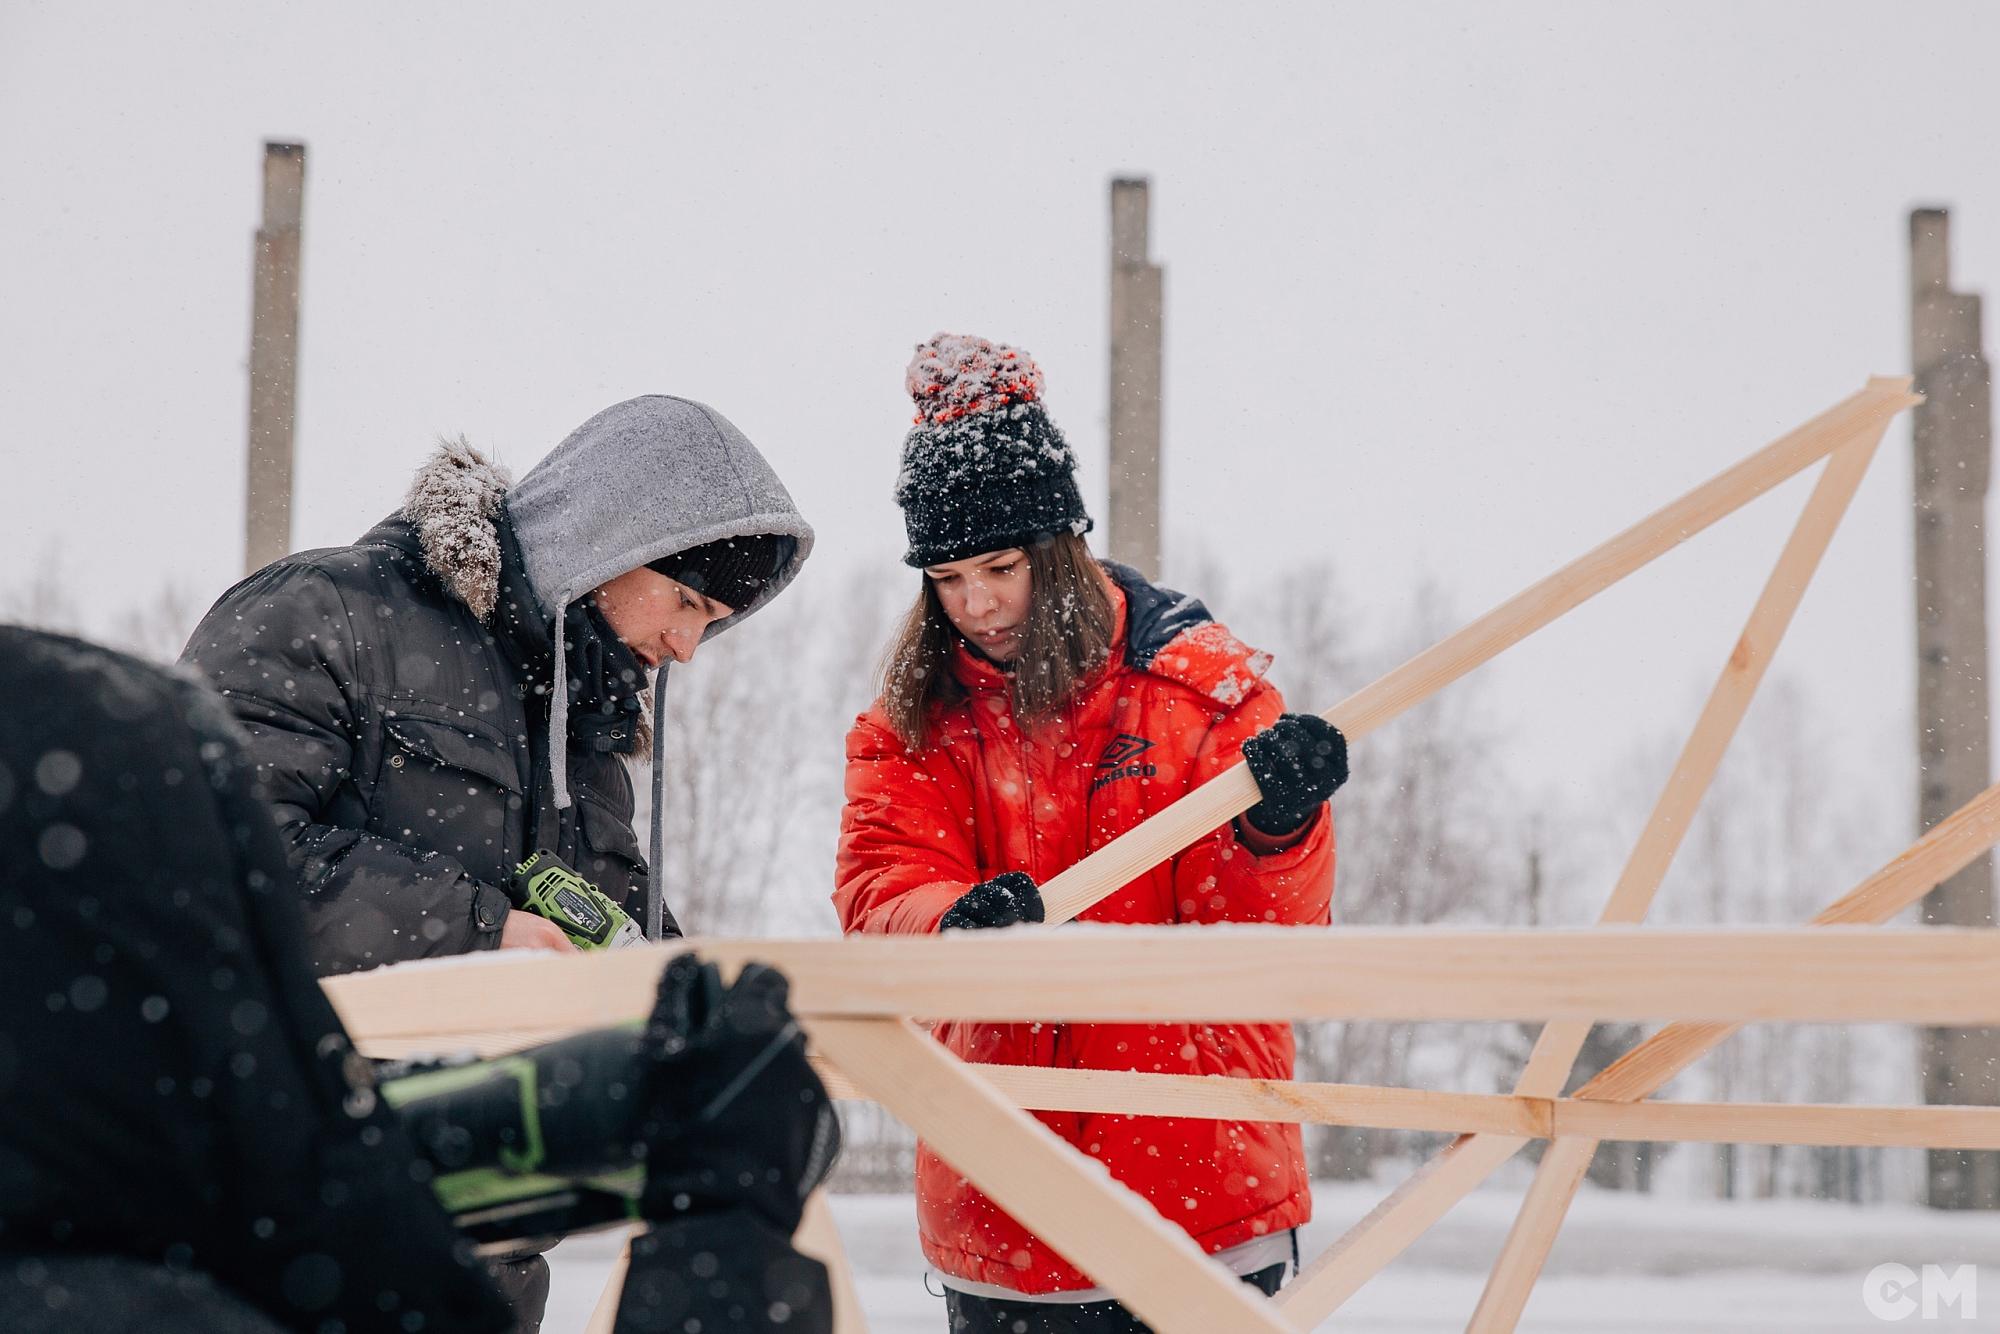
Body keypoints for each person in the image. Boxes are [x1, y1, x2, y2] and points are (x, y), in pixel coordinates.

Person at [0, 626, 838, 1334]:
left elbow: (318, 1164)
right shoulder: (148, 1296)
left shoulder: (148, 1208)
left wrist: (608, 1103)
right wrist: (721, 1240)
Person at [179, 394, 812, 1325]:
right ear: (605, 536)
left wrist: (698, 1002)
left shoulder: (585, 735)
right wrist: (478, 935)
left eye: (712, 620)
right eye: (686, 600)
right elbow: (211, 861)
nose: (687, 646)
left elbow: (610, 931)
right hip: (284, 1227)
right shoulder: (327, 612)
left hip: (487, 1258)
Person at [834, 334, 1347, 1332]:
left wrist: (1278, 828)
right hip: (1005, 1213)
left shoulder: (1201, 693)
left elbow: (1267, 941)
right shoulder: (909, 728)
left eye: (1000, 565)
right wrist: (951, 926)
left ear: (1059, 548)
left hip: (1200, 1210)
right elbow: (881, 886)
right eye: (945, 577)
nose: (976, 603)